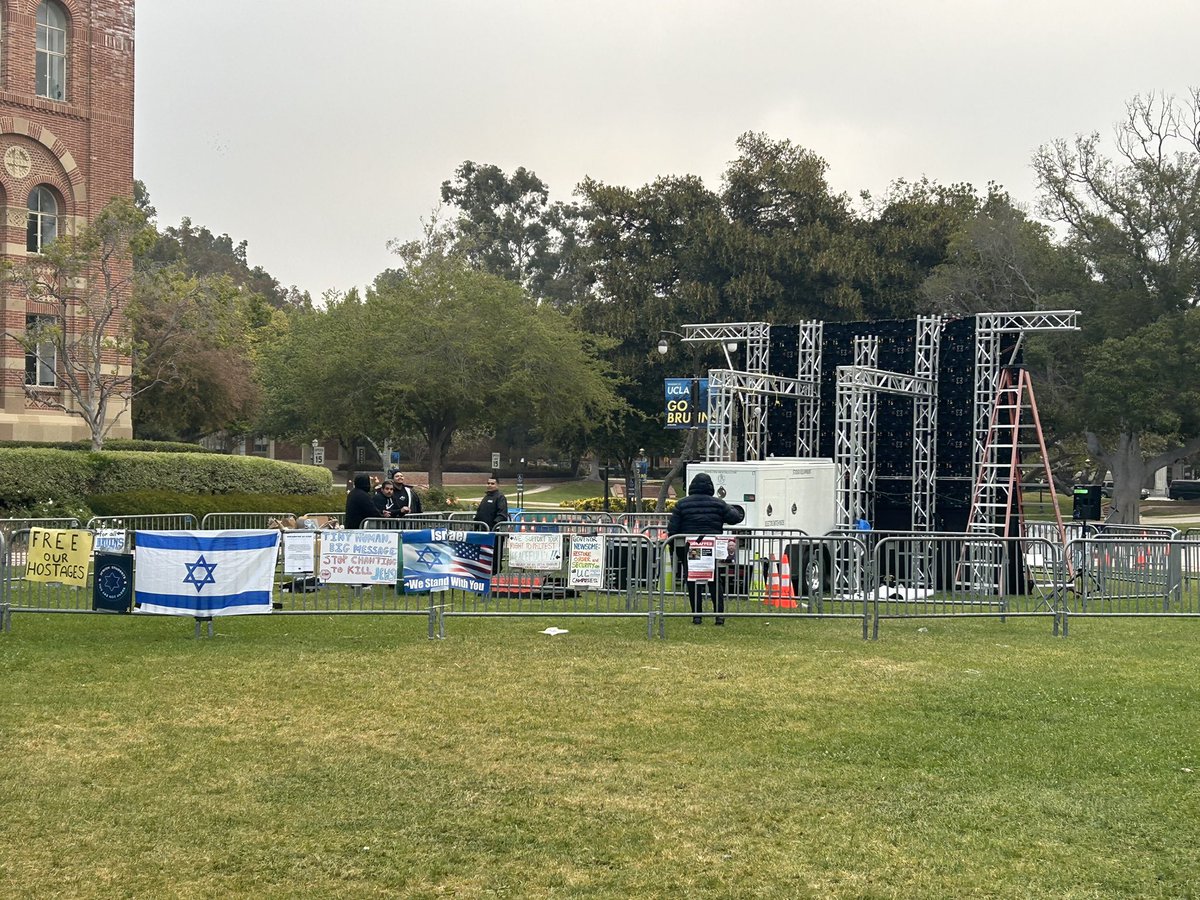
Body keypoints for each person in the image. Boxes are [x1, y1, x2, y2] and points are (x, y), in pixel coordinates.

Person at [666, 472, 744, 625]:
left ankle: (697, 615)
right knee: (714, 580)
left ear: (691, 487)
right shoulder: (718, 504)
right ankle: (719, 615)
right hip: (712, 548)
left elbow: (672, 528)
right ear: (711, 487)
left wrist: (675, 548)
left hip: (690, 547)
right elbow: (734, 518)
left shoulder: (681, 504)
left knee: (693, 580)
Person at [474, 476, 509, 574]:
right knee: (484, 555)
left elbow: (502, 515)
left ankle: (495, 575)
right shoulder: (485, 498)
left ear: (497, 485)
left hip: (495, 533)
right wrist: (475, 526)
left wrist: (493, 527)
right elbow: (479, 514)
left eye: (492, 483)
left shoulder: (500, 497)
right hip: (483, 532)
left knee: (495, 556)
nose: (490, 485)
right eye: (488, 483)